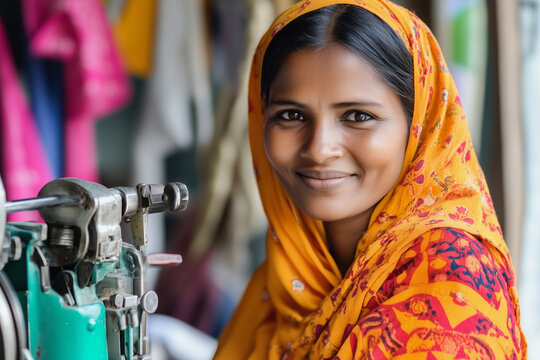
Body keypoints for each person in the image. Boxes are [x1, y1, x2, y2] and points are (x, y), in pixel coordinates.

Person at [213, 0, 527, 358]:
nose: (319, 149)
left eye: (358, 116)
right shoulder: (289, 276)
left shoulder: (451, 286)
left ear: (418, 126)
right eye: (291, 114)